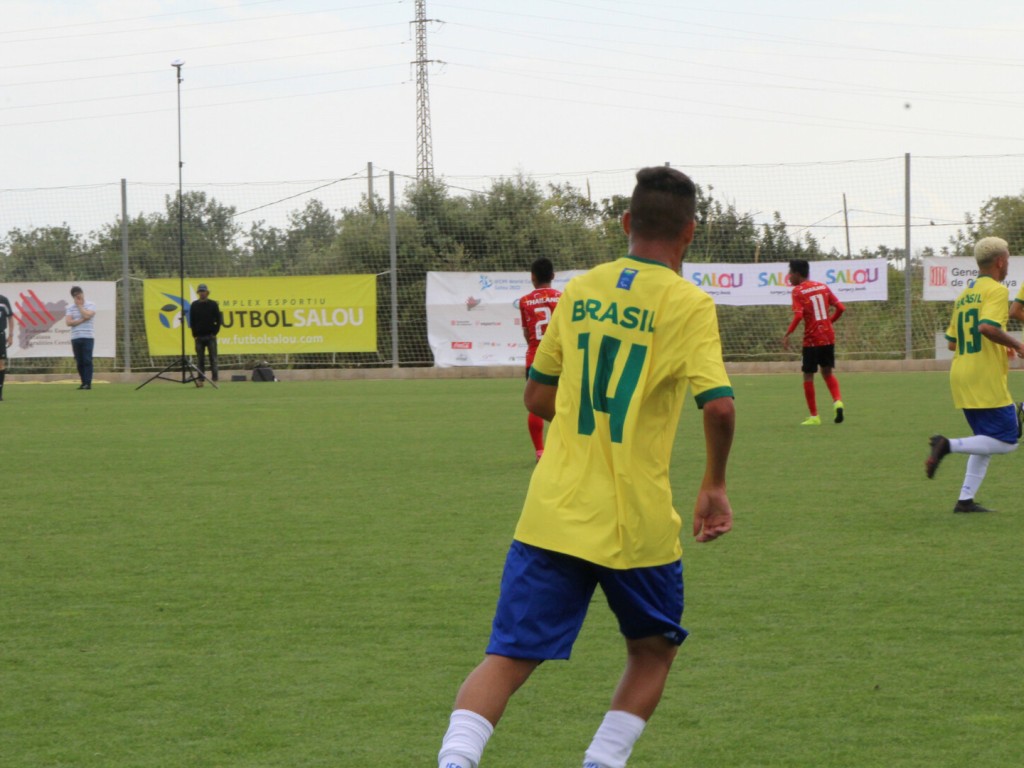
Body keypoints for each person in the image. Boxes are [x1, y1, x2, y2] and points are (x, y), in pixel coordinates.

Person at [437, 166, 735, 768]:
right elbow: (720, 406)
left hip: (554, 511)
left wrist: (581, 420)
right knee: (651, 652)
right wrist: (714, 483)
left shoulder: (580, 290)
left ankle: (454, 761)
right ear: (690, 232)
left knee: (508, 656)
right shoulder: (689, 304)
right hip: (637, 519)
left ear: (626, 223)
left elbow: (536, 396)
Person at [926, 236, 1024, 513]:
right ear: (1001, 261)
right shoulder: (996, 290)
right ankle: (946, 445)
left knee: (986, 440)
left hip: (962, 373)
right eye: (1008, 259)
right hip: (984, 376)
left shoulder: (965, 295)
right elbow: (986, 328)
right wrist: (1018, 345)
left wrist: (1001, 346)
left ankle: (965, 500)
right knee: (1008, 441)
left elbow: (952, 343)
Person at [781, 259, 845, 426]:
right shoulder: (822, 287)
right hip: (828, 337)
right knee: (827, 373)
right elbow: (841, 308)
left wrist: (788, 334)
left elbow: (798, 316)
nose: (789, 276)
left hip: (811, 340)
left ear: (797, 274)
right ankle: (838, 401)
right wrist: (829, 322)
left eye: (790, 273)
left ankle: (814, 416)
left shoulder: (798, 291)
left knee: (808, 375)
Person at [518, 257, 562, 461]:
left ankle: (540, 451)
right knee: (564, 403)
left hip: (536, 357)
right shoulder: (563, 298)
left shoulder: (525, 301)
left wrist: (535, 347)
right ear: (553, 275)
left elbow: (527, 333)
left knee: (535, 404)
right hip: (561, 358)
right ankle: (566, 446)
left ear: (532, 277)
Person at [189, 283, 223, 386]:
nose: (202, 293)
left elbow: (219, 319)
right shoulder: (194, 305)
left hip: (210, 336)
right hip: (199, 337)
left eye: (203, 291)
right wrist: (194, 334)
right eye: (200, 291)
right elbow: (192, 321)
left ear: (207, 292)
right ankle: (200, 379)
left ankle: (215, 379)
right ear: (198, 293)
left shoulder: (213, 304)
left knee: (213, 359)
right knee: (200, 360)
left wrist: (215, 332)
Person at [65, 286, 96, 390]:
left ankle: (88, 383)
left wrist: (79, 306)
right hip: (75, 337)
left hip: (88, 337)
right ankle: (83, 382)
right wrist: (82, 320)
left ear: (82, 293)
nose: (78, 297)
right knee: (79, 361)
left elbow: (88, 315)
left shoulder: (91, 304)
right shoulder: (70, 308)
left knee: (87, 360)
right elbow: (68, 322)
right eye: (75, 295)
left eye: (79, 294)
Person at [0, 291, 13, 401]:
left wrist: (11, 335)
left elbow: (10, 317)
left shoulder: (3, 300)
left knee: (1, 363)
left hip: (0, 335)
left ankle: (0, 393)